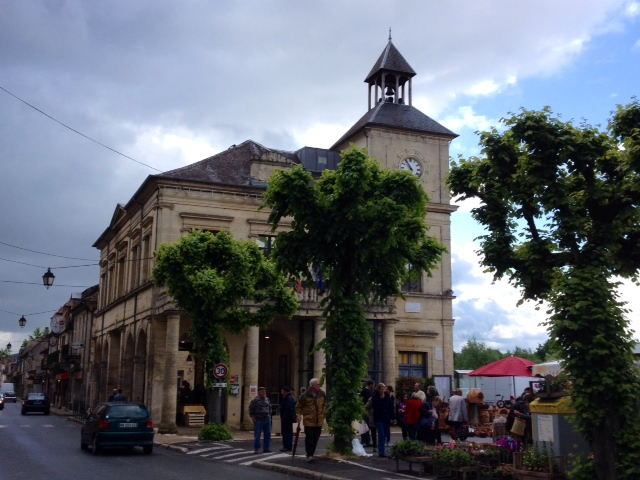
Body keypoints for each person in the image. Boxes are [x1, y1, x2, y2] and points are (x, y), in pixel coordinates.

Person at [296, 378, 328, 463]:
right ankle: (309, 455)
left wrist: (323, 412)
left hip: (319, 420)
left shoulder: (322, 393)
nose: (319, 386)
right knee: (309, 438)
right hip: (309, 420)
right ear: (313, 386)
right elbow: (298, 406)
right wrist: (298, 415)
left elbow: (325, 403)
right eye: (317, 384)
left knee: (316, 438)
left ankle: (312, 454)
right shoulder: (305, 395)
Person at [370, 383, 395, 457]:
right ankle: (381, 452)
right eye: (381, 389)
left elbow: (390, 407)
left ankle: (382, 450)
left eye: (383, 389)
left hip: (386, 417)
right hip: (378, 417)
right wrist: (380, 399)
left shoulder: (388, 397)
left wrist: (393, 417)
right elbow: (375, 406)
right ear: (378, 389)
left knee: (384, 435)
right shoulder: (375, 397)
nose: (382, 390)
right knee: (381, 434)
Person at [249, 386, 272, 453]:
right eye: (262, 391)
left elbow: (270, 407)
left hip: (267, 419)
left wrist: (269, 415)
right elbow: (251, 409)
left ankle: (266, 448)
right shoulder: (255, 400)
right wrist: (253, 417)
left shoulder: (267, 399)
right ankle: (256, 448)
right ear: (259, 392)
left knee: (268, 434)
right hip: (259, 419)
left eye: (265, 392)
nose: (264, 393)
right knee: (257, 435)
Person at [279, 386, 296, 452]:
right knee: (287, 432)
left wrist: (285, 417)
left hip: (287, 419)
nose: (281, 392)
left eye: (282, 391)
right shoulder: (289, 398)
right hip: (287, 418)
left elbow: (289, 409)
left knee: (287, 433)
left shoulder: (288, 398)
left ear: (285, 391)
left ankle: (287, 446)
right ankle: (287, 446)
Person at [359, 380, 375, 447]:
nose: (373, 386)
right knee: (364, 425)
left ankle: (367, 440)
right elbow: (361, 400)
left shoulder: (372, 392)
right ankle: (364, 440)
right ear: (370, 385)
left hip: (370, 411)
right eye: (373, 385)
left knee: (368, 426)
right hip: (365, 410)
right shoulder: (364, 391)